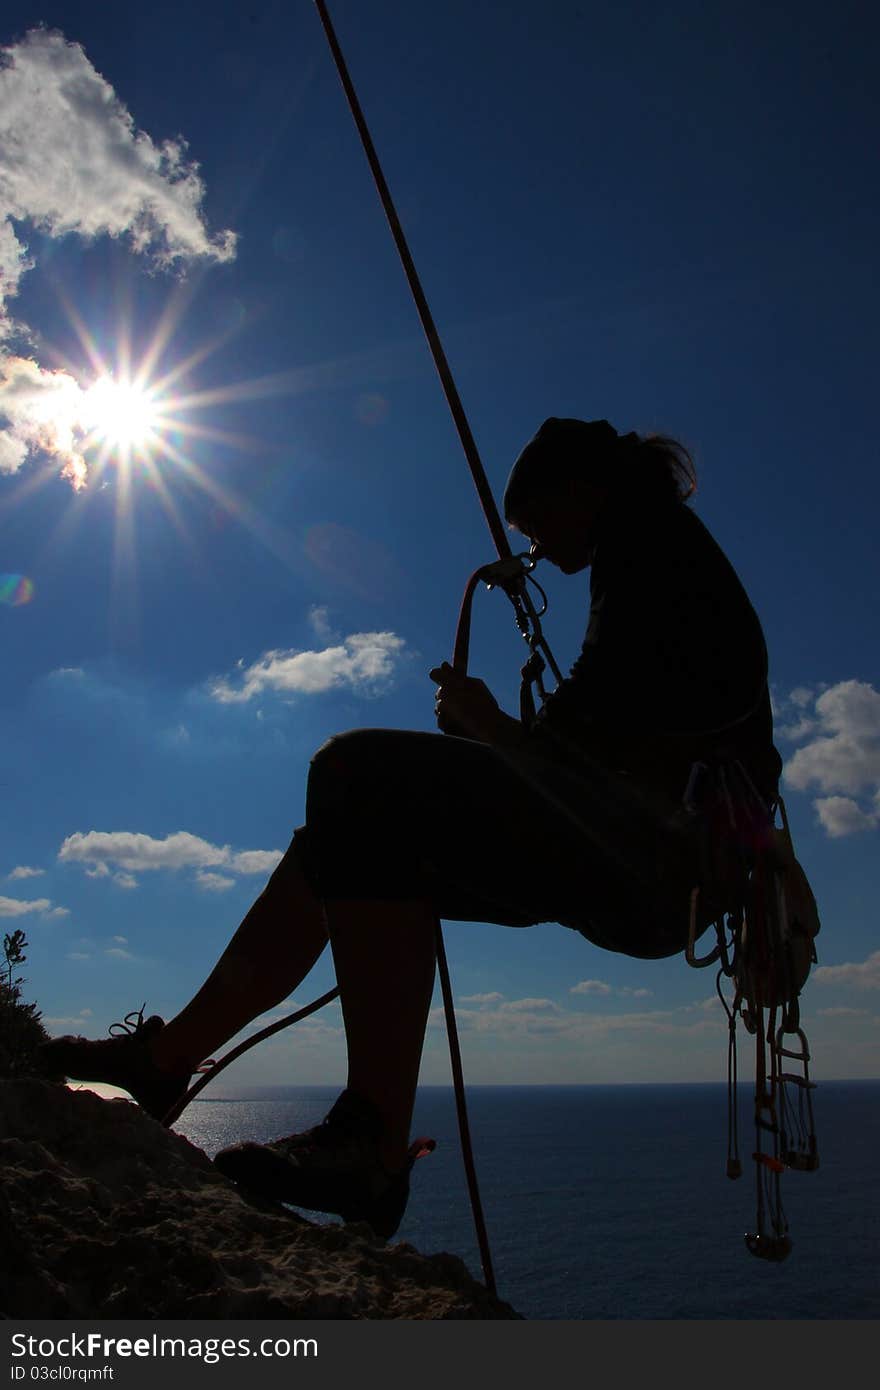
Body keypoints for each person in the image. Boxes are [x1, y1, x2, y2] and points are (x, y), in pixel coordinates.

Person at [42, 417, 782, 1239]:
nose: (532, 541)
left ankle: (372, 1144)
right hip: (663, 861)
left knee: (354, 775)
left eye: (536, 520)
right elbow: (613, 742)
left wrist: (487, 723)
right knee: (337, 841)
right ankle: (167, 1063)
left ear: (581, 490)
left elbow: (574, 759)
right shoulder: (658, 547)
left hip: (654, 860)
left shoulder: (646, 551)